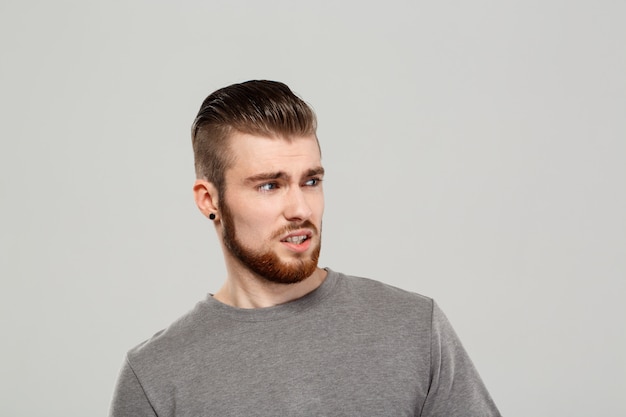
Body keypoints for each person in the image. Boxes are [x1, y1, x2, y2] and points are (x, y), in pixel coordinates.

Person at [109, 80, 501, 416]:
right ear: (209, 200)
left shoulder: (414, 327)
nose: (300, 209)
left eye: (311, 181)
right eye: (269, 185)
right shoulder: (156, 377)